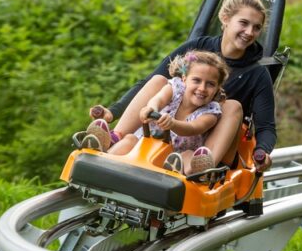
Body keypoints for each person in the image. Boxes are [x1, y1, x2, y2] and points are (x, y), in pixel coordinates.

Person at [88, 0, 275, 172]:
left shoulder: (258, 73)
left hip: (207, 139)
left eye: (256, 28)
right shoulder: (196, 49)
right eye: (244, 23)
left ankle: (202, 167)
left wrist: (262, 151)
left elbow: (266, 126)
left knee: (232, 105)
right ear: (225, 18)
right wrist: (113, 112)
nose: (250, 32)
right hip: (167, 131)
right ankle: (114, 138)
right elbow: (149, 85)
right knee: (159, 81)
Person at [83, 50, 229, 174]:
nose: (202, 88)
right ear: (184, 79)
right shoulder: (175, 88)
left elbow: (194, 128)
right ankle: (102, 159)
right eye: (196, 80)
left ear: (217, 88)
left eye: (210, 84)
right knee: (130, 139)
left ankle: (191, 174)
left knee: (188, 155)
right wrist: (151, 109)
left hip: (173, 156)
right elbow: (158, 99)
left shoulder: (211, 111)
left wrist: (172, 124)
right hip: (145, 145)